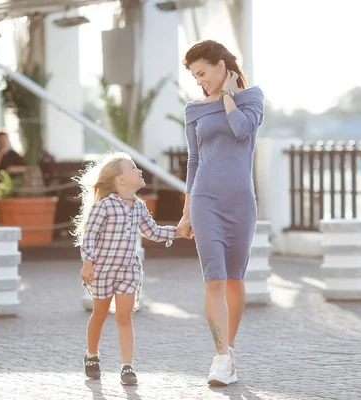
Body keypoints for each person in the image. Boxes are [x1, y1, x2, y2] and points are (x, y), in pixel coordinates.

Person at [176, 40, 265, 386]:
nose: (199, 81)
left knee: (234, 279)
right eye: (195, 76)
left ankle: (229, 348)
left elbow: (243, 130)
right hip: (205, 201)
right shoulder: (193, 110)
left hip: (240, 202)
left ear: (221, 66)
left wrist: (228, 95)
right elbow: (193, 161)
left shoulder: (252, 98)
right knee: (213, 278)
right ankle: (221, 356)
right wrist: (186, 213)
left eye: (202, 73)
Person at [72, 152, 183, 385]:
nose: (139, 171)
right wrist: (88, 263)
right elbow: (89, 236)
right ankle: (91, 355)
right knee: (100, 314)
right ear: (120, 179)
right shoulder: (104, 207)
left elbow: (152, 232)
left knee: (124, 317)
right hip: (102, 270)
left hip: (128, 270)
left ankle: (127, 367)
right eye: (133, 168)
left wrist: (178, 231)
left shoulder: (139, 207)